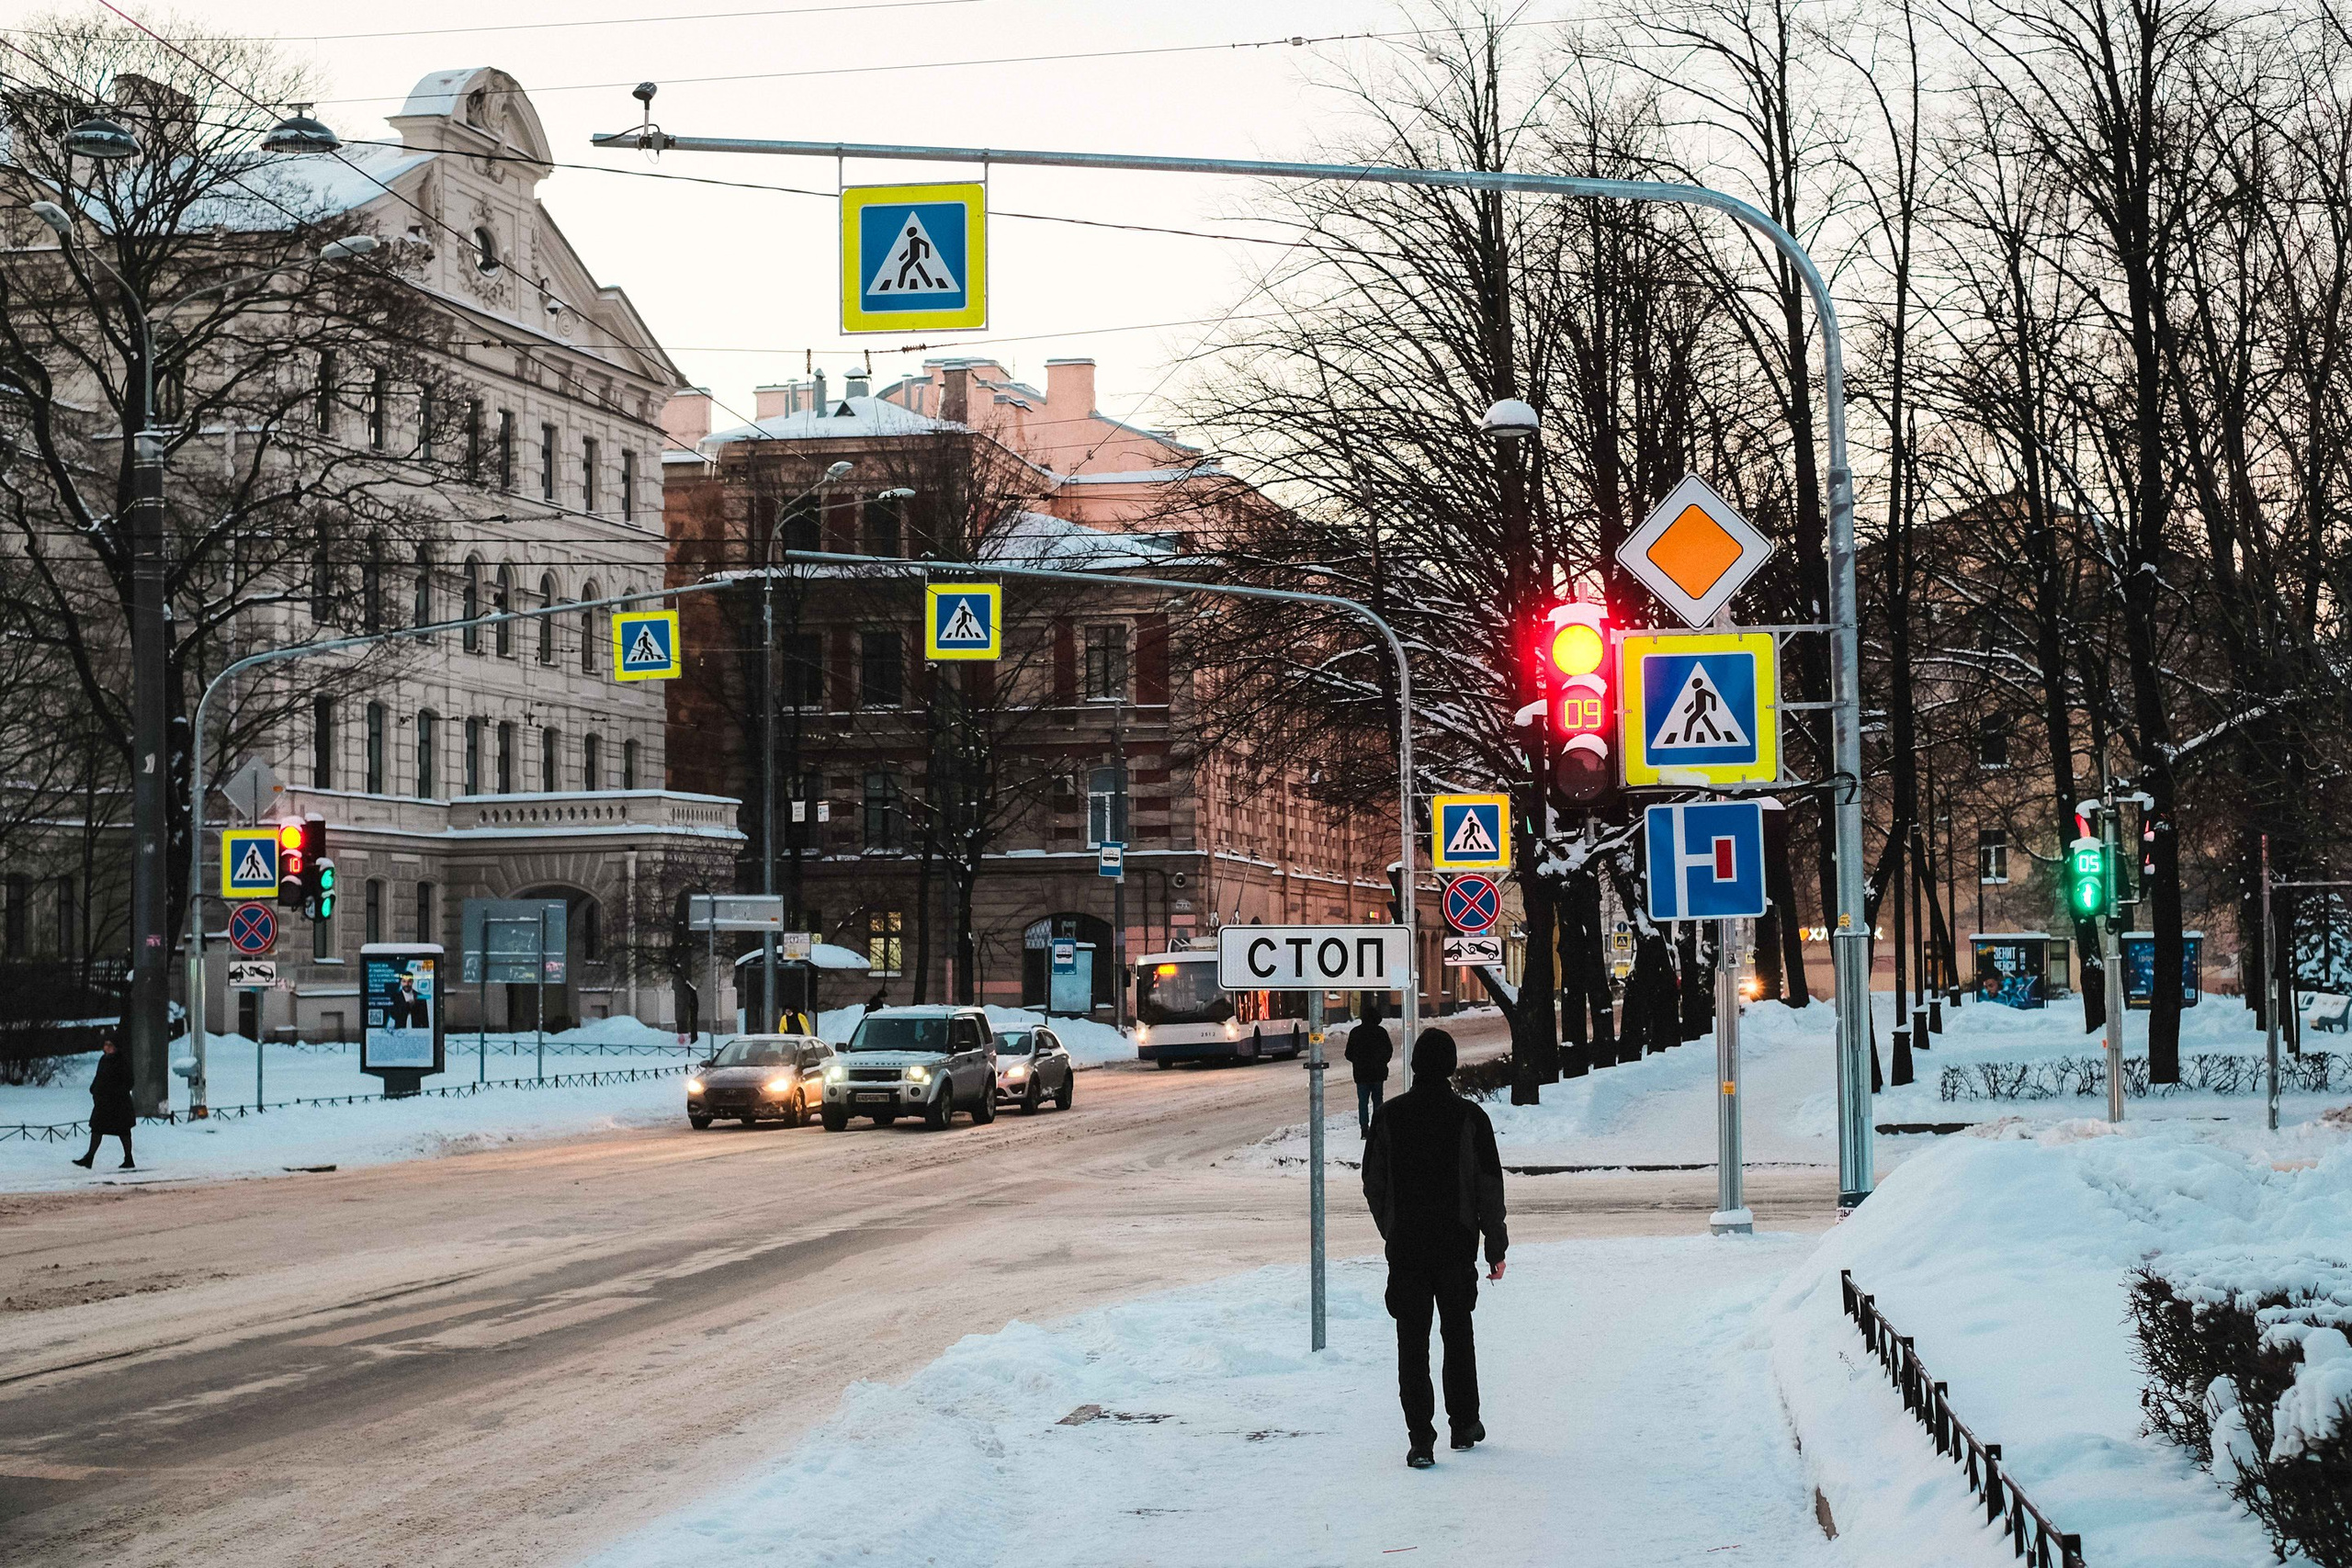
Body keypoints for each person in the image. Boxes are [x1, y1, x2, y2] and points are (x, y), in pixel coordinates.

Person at [1362, 1027, 1507, 1470]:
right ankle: (1464, 1424)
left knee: (1412, 1342)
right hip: (1455, 1245)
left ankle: (1420, 1440)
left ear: (1414, 1065)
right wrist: (1494, 1246)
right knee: (1458, 1334)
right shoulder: (1470, 1118)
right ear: (1451, 1066)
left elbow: (1373, 1182)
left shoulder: (1389, 1117)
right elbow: (1488, 1186)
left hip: (1407, 1247)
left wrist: (1391, 1228)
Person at [73, 1030, 136, 1171]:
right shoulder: (104, 1060)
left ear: (116, 1047)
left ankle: (128, 1158)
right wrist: (94, 1089)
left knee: (123, 1132)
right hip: (104, 1103)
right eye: (106, 1044)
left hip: (119, 1104)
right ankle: (89, 1157)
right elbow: (99, 1077)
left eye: (110, 1045)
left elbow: (129, 1081)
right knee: (97, 1129)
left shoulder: (121, 1061)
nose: (107, 1047)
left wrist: (116, 1092)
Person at [1343, 1002, 1394, 1136]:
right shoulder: (1381, 1032)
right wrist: (1382, 1062)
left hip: (1361, 1074)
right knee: (1378, 1100)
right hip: (1378, 1073)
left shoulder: (1355, 1032)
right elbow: (1389, 1050)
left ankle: (1364, 1129)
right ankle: (1377, 1127)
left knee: (1363, 1102)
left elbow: (1348, 1053)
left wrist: (1358, 1062)